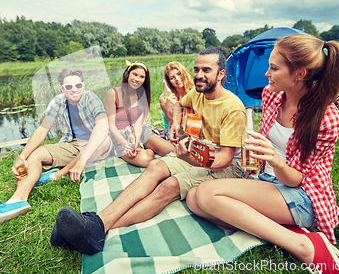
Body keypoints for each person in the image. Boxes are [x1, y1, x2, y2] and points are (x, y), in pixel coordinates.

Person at [49, 47, 246, 255]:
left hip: (226, 166)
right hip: (197, 153)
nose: (198, 75)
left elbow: (225, 158)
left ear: (221, 74)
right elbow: (179, 105)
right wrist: (175, 124)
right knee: (155, 166)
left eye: (206, 70)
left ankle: (94, 229)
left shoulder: (233, 108)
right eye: (196, 69)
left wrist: (191, 159)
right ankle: (94, 225)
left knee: (168, 186)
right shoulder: (197, 94)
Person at [185, 34, 339, 273]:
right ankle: (278, 228)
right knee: (194, 199)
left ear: (299, 74)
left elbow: (298, 179)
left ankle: (304, 246)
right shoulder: (271, 94)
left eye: (273, 68)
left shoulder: (326, 117)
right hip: (269, 181)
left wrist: (275, 160)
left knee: (207, 194)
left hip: (303, 194)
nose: (266, 74)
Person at [0, 68, 112, 231]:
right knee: (35, 154)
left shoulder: (90, 97)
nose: (74, 89)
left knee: (105, 140)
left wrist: (82, 161)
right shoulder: (58, 102)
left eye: (78, 85)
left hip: (96, 143)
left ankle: (58, 174)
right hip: (71, 144)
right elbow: (42, 130)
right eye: (69, 87)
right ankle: (17, 201)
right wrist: (22, 156)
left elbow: (102, 125)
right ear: (62, 88)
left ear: (83, 85)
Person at [104, 60, 173, 167]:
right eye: (135, 74)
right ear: (127, 74)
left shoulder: (141, 95)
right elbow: (111, 125)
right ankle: (150, 151)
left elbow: (138, 124)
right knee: (144, 160)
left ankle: (147, 147)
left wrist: (135, 144)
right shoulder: (113, 93)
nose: (137, 79)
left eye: (142, 77)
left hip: (139, 132)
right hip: (119, 136)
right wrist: (126, 144)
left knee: (172, 151)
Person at [159, 61, 194, 137]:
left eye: (179, 74)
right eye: (172, 78)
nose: (177, 79)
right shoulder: (164, 98)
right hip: (173, 133)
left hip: (191, 130)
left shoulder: (194, 92)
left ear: (184, 73)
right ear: (169, 81)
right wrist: (169, 109)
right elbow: (172, 126)